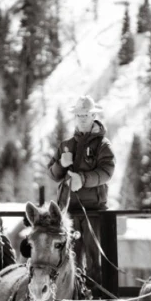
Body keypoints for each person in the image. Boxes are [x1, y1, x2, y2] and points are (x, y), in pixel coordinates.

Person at [47, 95, 115, 286]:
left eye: (86, 114)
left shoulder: (103, 145)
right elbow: (52, 174)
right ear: (74, 117)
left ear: (94, 115)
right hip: (68, 212)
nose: (82, 118)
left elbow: (107, 172)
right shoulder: (66, 145)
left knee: (95, 261)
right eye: (79, 114)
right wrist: (61, 164)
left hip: (93, 211)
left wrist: (82, 180)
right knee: (68, 261)